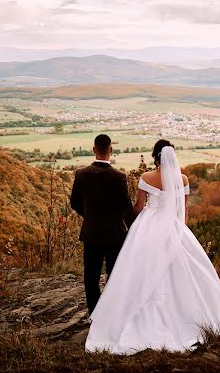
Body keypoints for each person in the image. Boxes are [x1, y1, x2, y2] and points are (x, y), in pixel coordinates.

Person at [85, 139, 220, 354]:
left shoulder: (146, 178)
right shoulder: (183, 178)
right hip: (174, 227)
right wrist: (180, 230)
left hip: (149, 226)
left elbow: (139, 207)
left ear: (154, 156)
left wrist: (132, 222)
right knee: (181, 271)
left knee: (141, 268)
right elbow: (183, 209)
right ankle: (184, 314)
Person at [70, 133, 134, 314]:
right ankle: (112, 314)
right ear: (111, 150)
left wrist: (90, 216)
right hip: (115, 235)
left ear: (93, 150)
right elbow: (126, 208)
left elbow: (74, 203)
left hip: (92, 233)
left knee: (91, 277)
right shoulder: (119, 177)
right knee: (114, 277)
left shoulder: (81, 174)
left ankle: (94, 314)